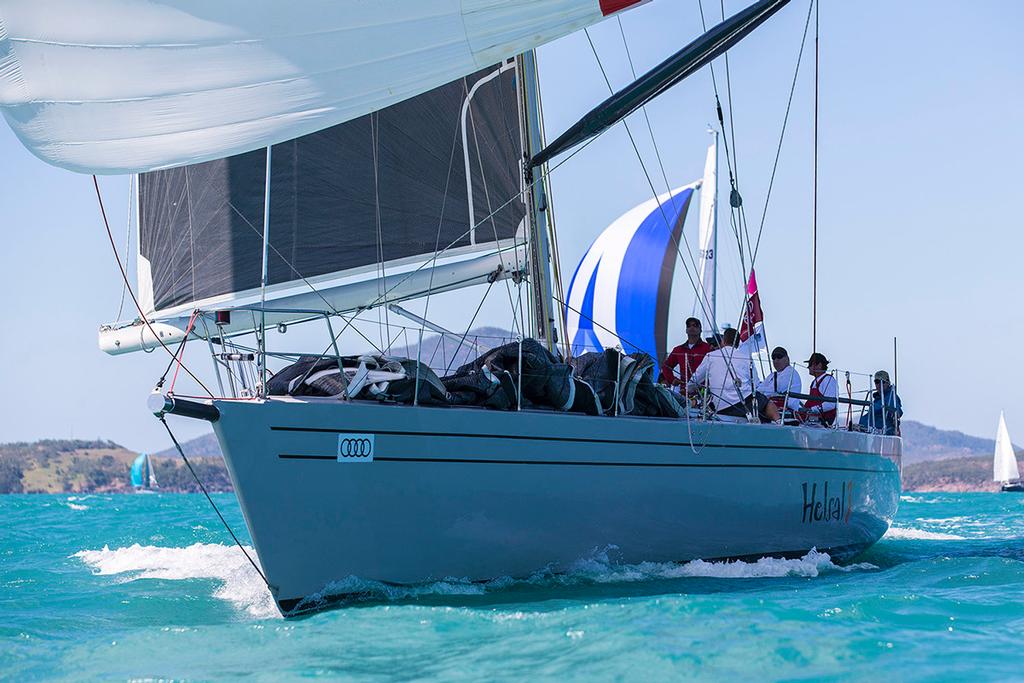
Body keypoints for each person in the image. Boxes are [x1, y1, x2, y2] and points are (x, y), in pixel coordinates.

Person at [686, 327, 779, 422]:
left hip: (721, 408)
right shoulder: (745, 358)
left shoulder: (710, 356)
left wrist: (688, 389)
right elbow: (754, 384)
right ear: (738, 344)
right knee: (768, 404)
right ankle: (779, 422)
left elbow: (694, 381)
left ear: (723, 340)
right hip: (745, 403)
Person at [661, 317, 712, 387]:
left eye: (695, 325)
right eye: (689, 325)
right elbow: (666, 366)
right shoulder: (678, 350)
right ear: (686, 330)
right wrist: (672, 380)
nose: (691, 327)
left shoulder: (708, 348)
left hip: (704, 391)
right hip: (684, 391)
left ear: (700, 330)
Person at [757, 346, 802, 413]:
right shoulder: (772, 375)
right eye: (773, 358)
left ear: (787, 358)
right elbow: (761, 389)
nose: (776, 360)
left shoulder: (790, 372)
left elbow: (774, 390)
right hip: (772, 409)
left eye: (779, 357)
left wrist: (757, 391)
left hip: (786, 412)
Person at [859, 370, 903, 435]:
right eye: (877, 382)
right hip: (868, 431)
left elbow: (897, 412)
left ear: (888, 383)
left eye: (883, 382)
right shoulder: (877, 399)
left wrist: (895, 415)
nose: (879, 384)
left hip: (882, 433)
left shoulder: (891, 397)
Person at [801, 352, 837, 426]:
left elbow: (831, 403)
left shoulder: (828, 380)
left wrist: (812, 410)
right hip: (810, 419)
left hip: (822, 421)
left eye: (810, 364)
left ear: (819, 365)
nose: (808, 367)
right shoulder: (814, 382)